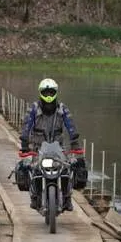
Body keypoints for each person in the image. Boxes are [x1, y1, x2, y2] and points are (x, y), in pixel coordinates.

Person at [19, 78, 83, 211]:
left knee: (66, 170)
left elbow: (70, 126)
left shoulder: (62, 109)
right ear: (41, 93)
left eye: (51, 92)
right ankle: (35, 197)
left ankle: (67, 198)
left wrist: (75, 143)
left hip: (58, 148)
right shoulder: (34, 108)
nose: (48, 96)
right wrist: (24, 143)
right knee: (34, 170)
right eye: (46, 92)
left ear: (55, 92)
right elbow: (26, 125)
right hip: (38, 149)